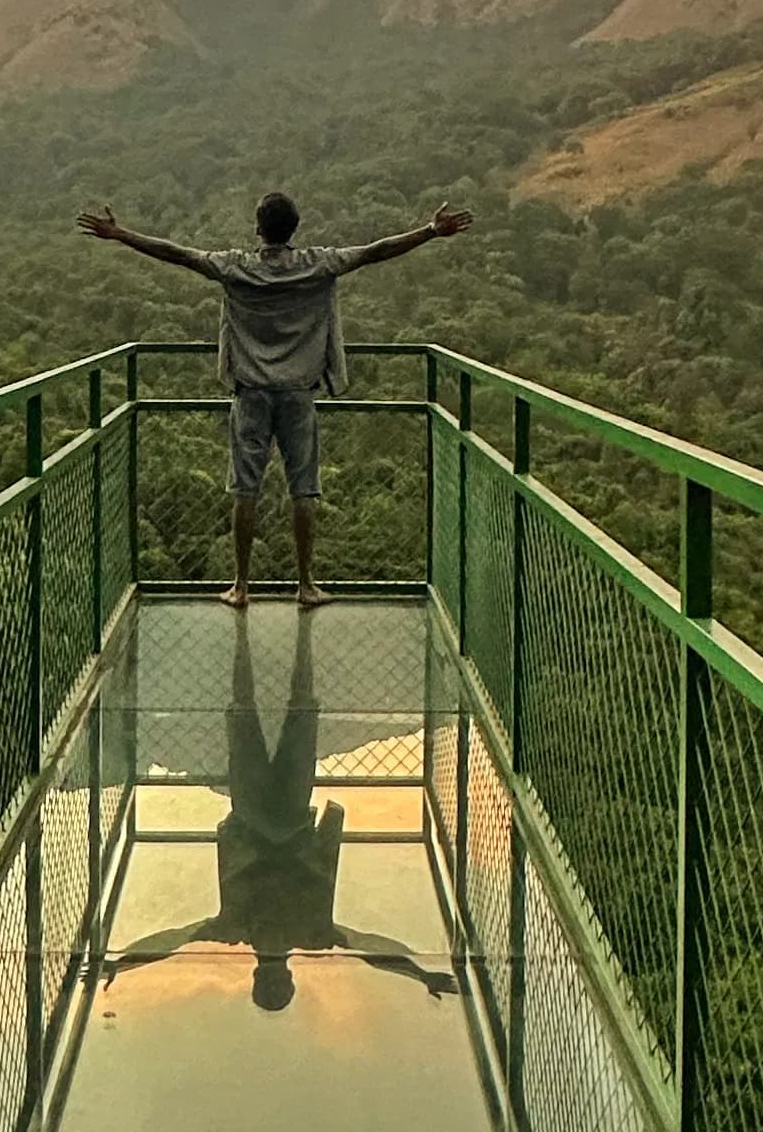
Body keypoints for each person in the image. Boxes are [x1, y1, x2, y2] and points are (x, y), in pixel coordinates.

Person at [78, 184, 471, 606]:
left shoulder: (236, 268)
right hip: (299, 394)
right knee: (303, 489)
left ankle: (241, 586)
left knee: (245, 489)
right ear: (294, 228)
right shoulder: (318, 265)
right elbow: (376, 251)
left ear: (258, 229)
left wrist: (121, 235)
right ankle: (305, 585)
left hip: (250, 394)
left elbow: (178, 254)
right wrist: (430, 230)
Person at [104, 609, 455, 1012]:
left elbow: (173, 939)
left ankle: (283, 635)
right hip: (265, 808)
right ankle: (268, 634)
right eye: (275, 978)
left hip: (276, 807)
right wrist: (419, 972)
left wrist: (122, 961)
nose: (271, 972)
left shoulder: (266, 928)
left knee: (276, 709)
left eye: (269, 978)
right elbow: (371, 948)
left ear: (272, 976)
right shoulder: (280, 928)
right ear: (277, 976)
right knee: (259, 709)